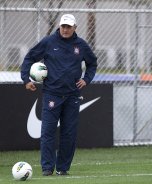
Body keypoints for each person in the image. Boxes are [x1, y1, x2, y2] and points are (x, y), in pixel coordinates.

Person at [20, 14, 98, 176]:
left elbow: (92, 63)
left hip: (72, 96)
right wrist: (26, 79)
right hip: (52, 95)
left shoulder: (81, 45)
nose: (65, 29)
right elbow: (29, 58)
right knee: (47, 132)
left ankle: (63, 168)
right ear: (59, 26)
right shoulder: (48, 42)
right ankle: (47, 168)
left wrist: (86, 79)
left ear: (75, 27)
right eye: (63, 26)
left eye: (69, 27)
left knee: (69, 134)